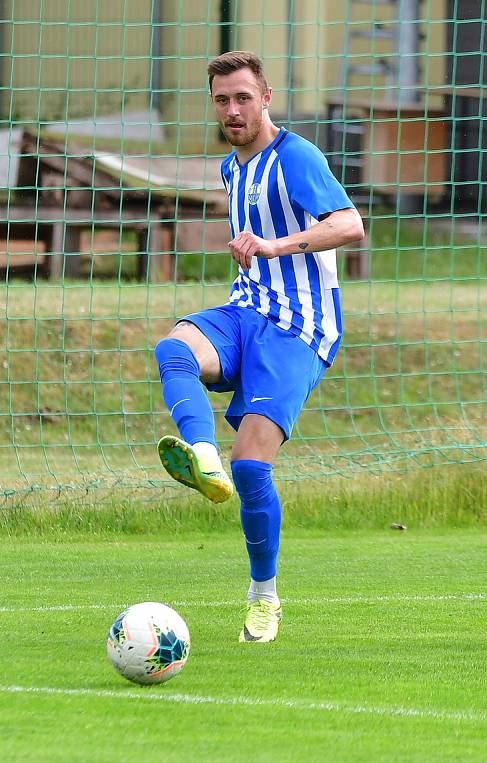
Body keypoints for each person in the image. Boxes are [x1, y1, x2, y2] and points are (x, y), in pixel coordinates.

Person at [154, 51, 364, 643]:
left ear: (266, 98)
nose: (233, 109)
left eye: (243, 97)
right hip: (247, 311)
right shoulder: (231, 168)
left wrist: (275, 246)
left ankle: (264, 598)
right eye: (222, 99)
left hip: (298, 328)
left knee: (254, 468)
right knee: (173, 351)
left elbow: (350, 224)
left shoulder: (296, 156)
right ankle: (203, 456)